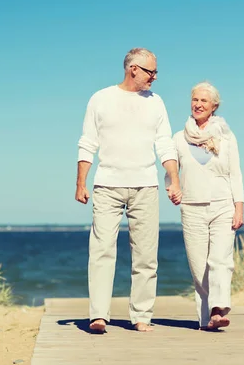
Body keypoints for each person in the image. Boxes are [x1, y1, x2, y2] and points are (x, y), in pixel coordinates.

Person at [75, 48, 182, 333]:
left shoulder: (156, 103)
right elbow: (88, 142)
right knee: (101, 251)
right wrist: (80, 183)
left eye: (156, 72)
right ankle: (98, 315)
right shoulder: (101, 99)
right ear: (133, 69)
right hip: (107, 185)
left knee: (146, 255)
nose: (155, 77)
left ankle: (142, 315)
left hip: (146, 185)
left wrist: (174, 178)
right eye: (151, 72)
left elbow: (165, 144)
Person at [171, 81, 244, 330]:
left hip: (223, 205)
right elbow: (171, 171)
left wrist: (239, 207)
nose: (198, 104)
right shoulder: (179, 138)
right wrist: (173, 186)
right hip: (192, 207)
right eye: (195, 100)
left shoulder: (226, 135)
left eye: (204, 100)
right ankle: (206, 319)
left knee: (220, 260)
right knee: (199, 266)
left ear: (214, 106)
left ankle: (218, 308)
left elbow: (236, 173)